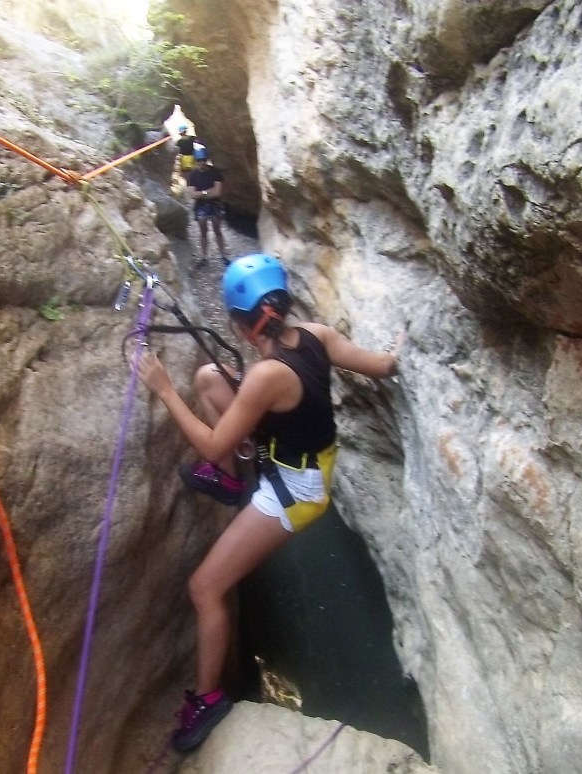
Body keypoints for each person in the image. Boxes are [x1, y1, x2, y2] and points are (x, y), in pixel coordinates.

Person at [135, 254, 402, 752]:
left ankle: (209, 699)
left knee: (205, 589)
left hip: (293, 494)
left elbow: (213, 444)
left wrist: (163, 390)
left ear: (240, 323)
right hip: (307, 462)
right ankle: (233, 483)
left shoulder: (266, 378)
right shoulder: (317, 336)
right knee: (211, 380)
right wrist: (399, 347)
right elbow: (382, 366)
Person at [186, 145, 227, 265]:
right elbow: (192, 194)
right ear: (196, 161)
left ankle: (223, 255)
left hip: (213, 204)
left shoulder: (215, 172)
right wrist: (208, 192)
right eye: (199, 160)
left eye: (203, 160)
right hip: (202, 205)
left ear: (206, 160)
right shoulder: (193, 175)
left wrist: (202, 194)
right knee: (203, 230)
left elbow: (218, 192)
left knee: (217, 228)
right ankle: (204, 257)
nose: (201, 163)